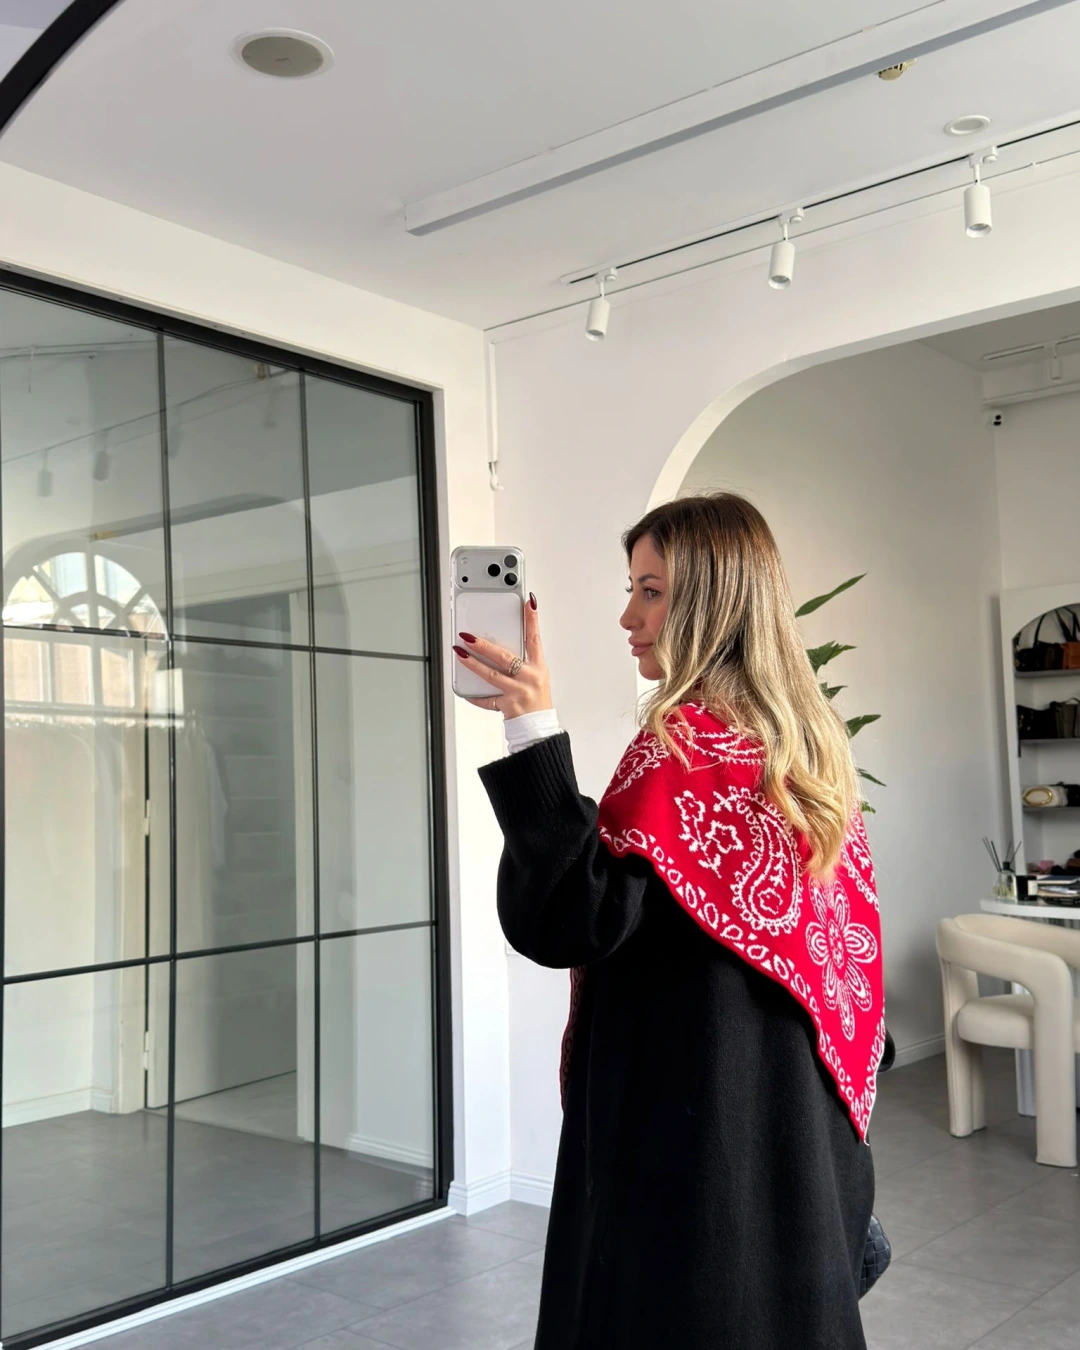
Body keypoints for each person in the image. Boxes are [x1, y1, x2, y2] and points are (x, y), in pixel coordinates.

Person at [452, 492, 883, 1350]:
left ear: (715, 599)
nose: (628, 617)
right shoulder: (804, 746)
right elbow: (841, 956)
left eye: (651, 591)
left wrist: (530, 729)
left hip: (694, 1133)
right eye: (632, 589)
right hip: (790, 1127)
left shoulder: (686, 745)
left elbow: (574, 917)